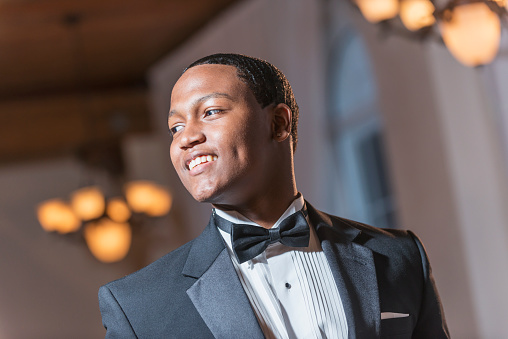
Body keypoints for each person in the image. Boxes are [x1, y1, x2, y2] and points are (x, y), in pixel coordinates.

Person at [98, 53, 449, 338]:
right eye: (176, 126)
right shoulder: (138, 306)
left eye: (210, 112)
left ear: (279, 123)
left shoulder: (399, 257)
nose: (185, 138)